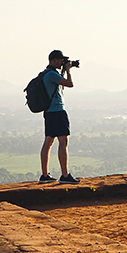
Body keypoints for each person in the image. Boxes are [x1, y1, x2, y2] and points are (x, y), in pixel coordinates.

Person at [39, 50, 79, 183]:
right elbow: (69, 84)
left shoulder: (47, 74)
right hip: (57, 111)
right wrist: (68, 71)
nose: (62, 62)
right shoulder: (51, 74)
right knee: (63, 141)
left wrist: (63, 70)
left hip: (49, 112)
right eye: (61, 60)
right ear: (55, 60)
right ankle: (65, 175)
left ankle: (45, 175)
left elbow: (59, 86)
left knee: (48, 142)